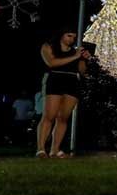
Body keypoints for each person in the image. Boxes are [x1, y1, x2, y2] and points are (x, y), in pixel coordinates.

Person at [37, 28, 89, 158]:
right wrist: (75, 56)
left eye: (74, 37)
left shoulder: (76, 51)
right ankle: (41, 149)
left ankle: (55, 150)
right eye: (69, 36)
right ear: (61, 35)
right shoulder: (48, 46)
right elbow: (52, 63)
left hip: (72, 81)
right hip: (55, 79)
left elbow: (82, 72)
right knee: (49, 115)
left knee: (63, 117)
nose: (71, 39)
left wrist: (83, 59)